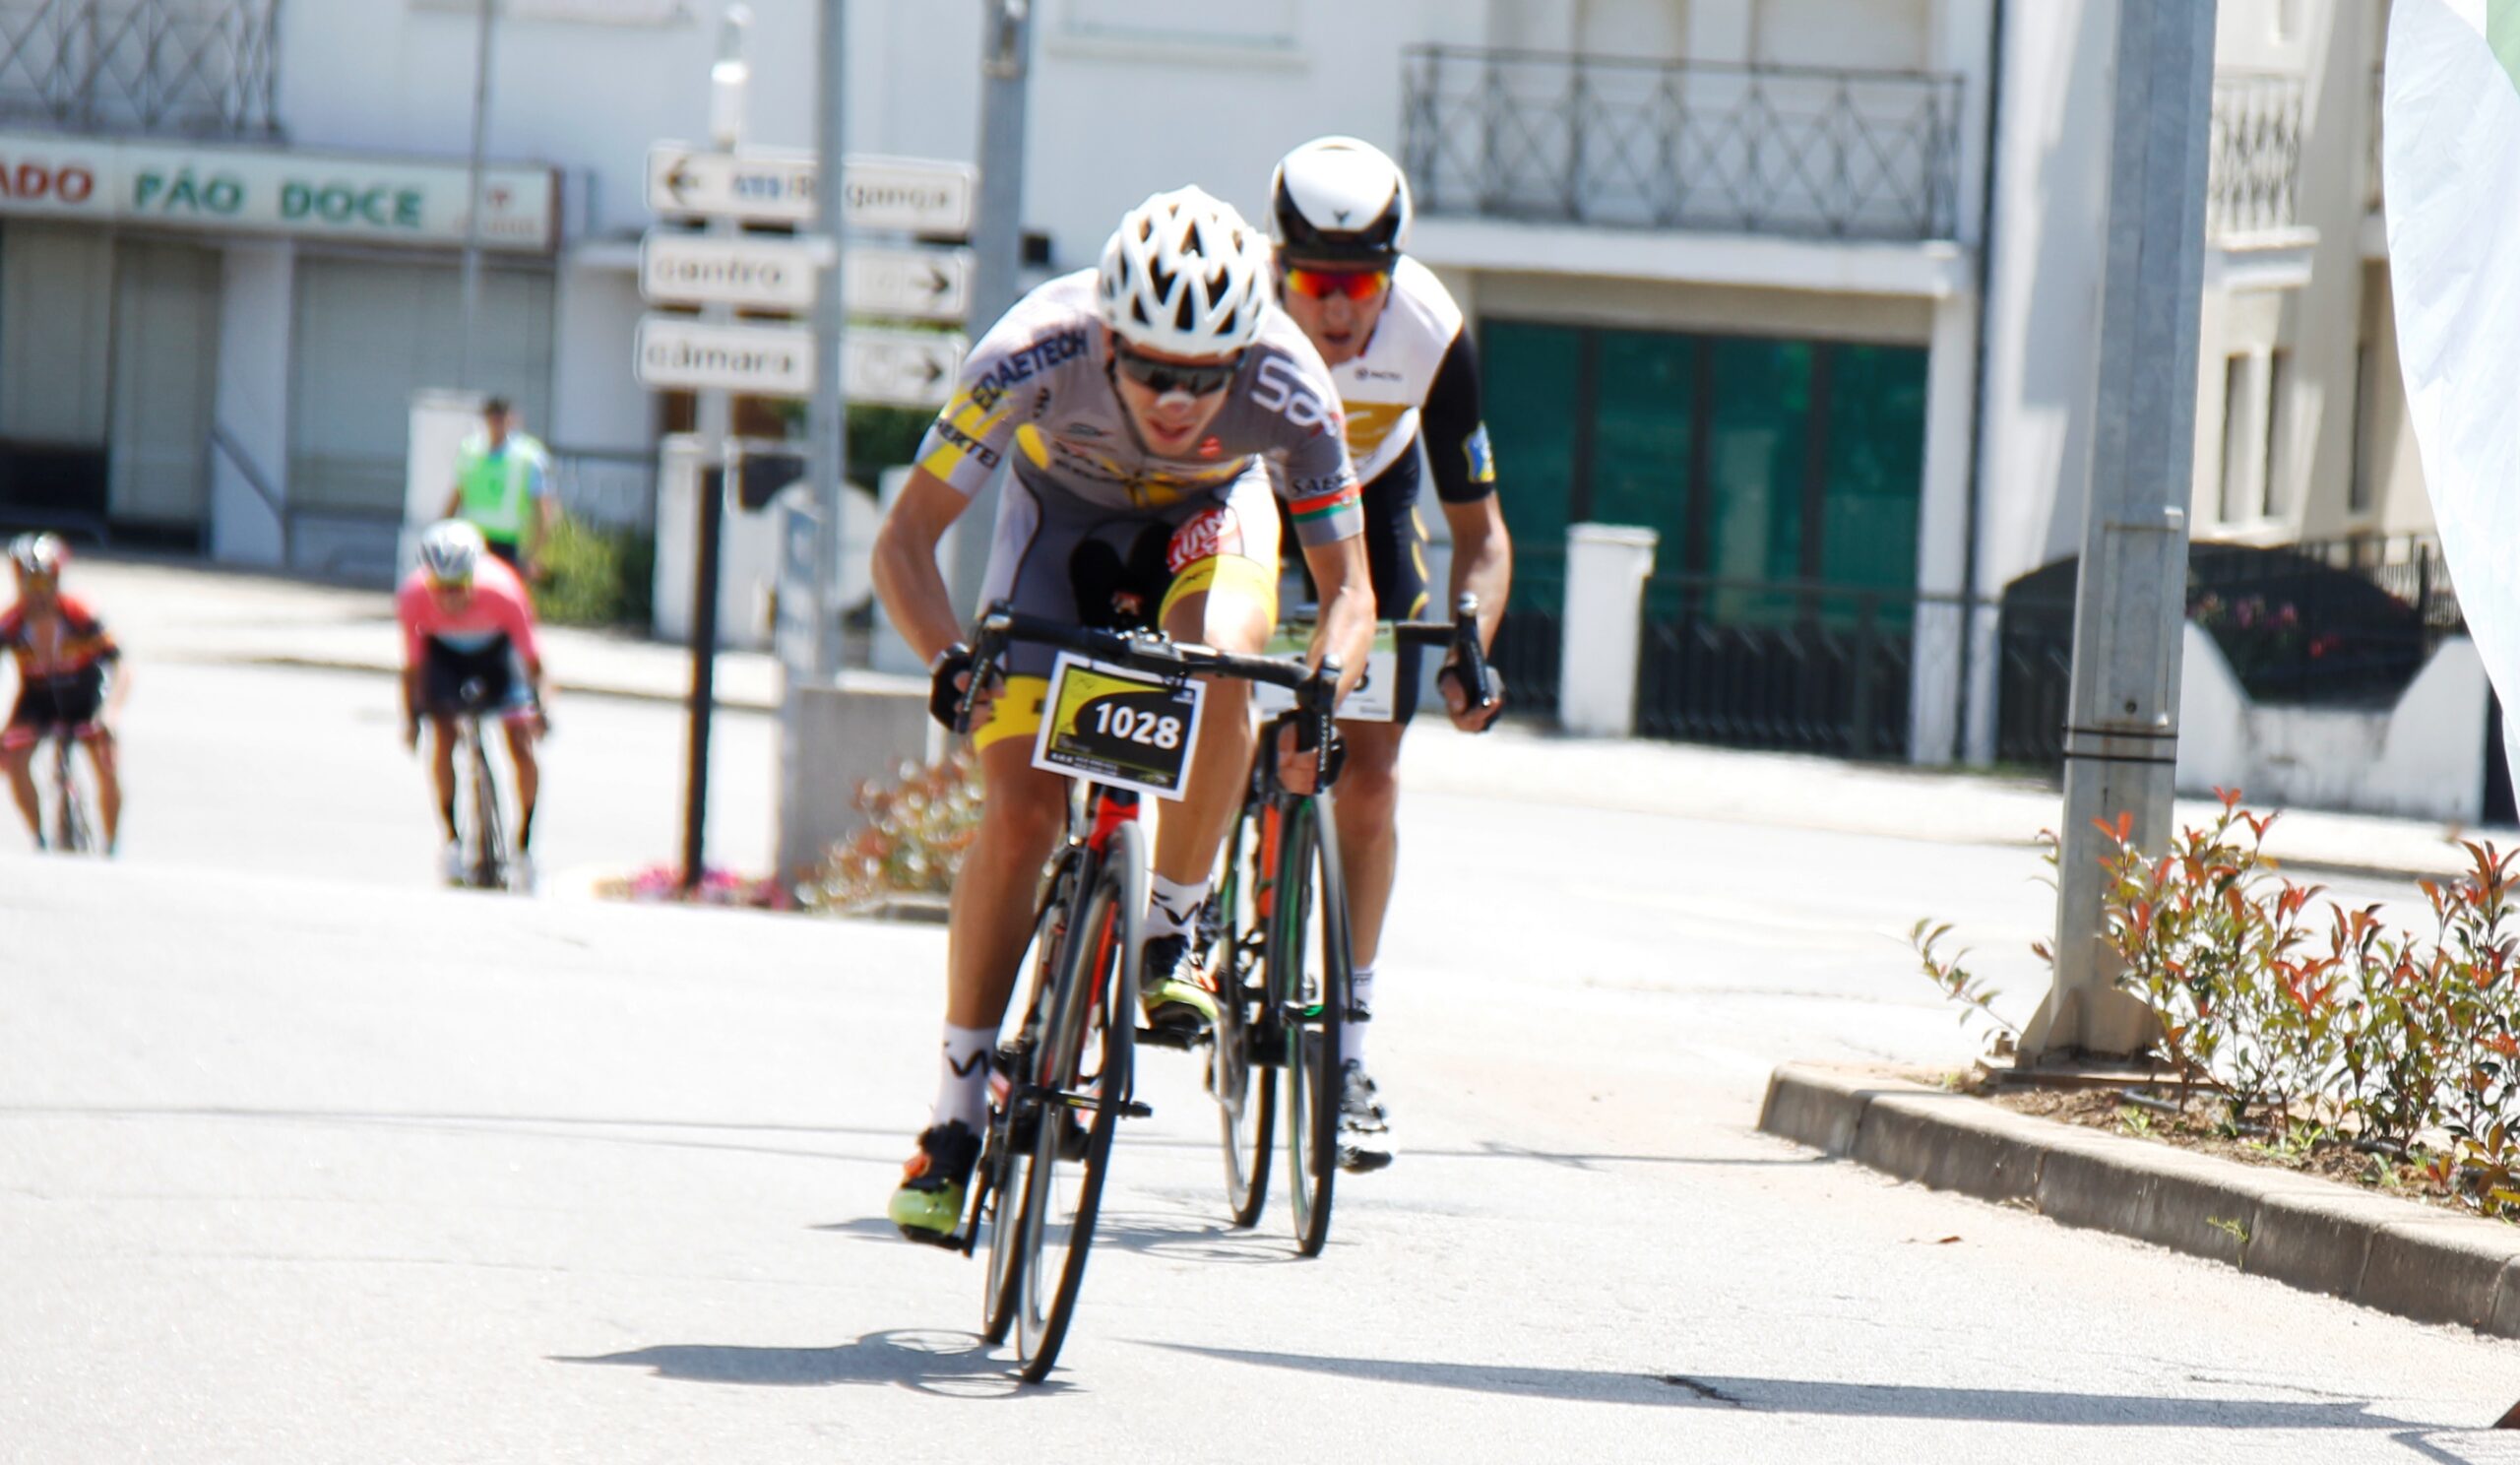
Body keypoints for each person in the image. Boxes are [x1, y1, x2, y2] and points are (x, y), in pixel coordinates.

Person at [871, 185, 1377, 1242]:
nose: (1177, 400)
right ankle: (955, 1117)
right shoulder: (1029, 352)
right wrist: (947, 659)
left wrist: (1326, 679)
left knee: (1226, 663)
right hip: (1056, 533)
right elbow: (904, 544)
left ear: (1243, 355)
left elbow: (1347, 592)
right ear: (1105, 339)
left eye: (1204, 376)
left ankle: (1171, 930)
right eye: (1149, 369)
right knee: (1017, 816)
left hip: (1207, 523)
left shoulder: (1290, 384)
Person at [1267, 137, 1514, 1173]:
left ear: (1391, 274)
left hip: (1369, 504)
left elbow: (1483, 537)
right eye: (1314, 284)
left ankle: (1350, 1048)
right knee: (1228, 709)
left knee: (1368, 785)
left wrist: (1467, 645)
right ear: (1280, 268)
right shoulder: (1234, 312)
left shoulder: (1430, 331)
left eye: (1357, 284)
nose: (1334, 309)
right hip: (1251, 497)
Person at [396, 520, 549, 891]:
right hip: (446, 656)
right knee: (443, 736)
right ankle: (451, 839)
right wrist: (411, 719)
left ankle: (524, 846)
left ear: (473, 575)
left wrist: (540, 710)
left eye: (458, 586)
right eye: (440, 588)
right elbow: (413, 668)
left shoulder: (504, 592)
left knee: (521, 744)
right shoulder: (413, 596)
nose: (449, 598)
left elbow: (532, 662)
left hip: (497, 656)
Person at [0, 534, 127, 852]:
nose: (38, 595)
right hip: (38, 700)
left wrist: (110, 713)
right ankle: (40, 838)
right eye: (29, 584)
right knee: (14, 758)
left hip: (84, 697)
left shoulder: (81, 615)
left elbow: (121, 666)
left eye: (45, 584)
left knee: (106, 761)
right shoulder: (11, 625)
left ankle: (111, 844)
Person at [441, 397, 558, 582]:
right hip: (472, 541)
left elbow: (543, 510)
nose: (496, 423)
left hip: (510, 545)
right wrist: (442, 536)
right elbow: (456, 495)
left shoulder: (527, 456)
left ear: (511, 419)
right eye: (492, 417)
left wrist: (534, 554)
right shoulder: (471, 450)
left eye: (501, 417)